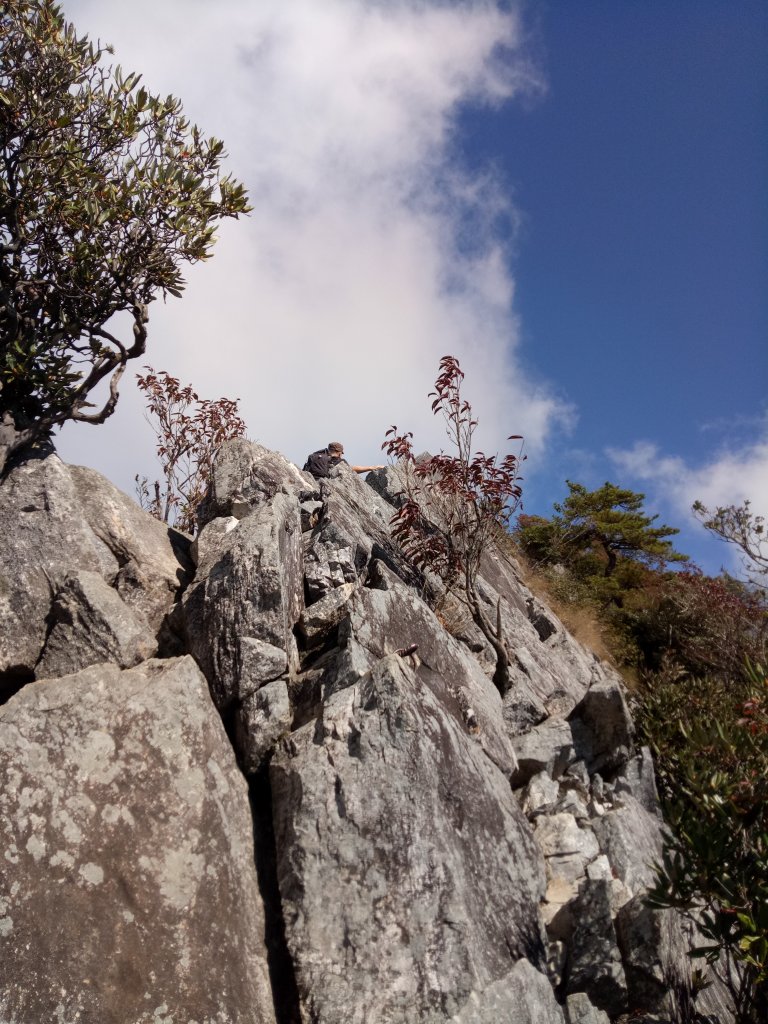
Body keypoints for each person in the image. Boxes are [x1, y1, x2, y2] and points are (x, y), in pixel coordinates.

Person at [303, 441, 385, 479]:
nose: (341, 455)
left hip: (308, 479)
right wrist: (371, 468)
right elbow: (352, 469)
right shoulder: (337, 460)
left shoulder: (316, 455)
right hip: (321, 483)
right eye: (341, 453)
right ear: (339, 452)